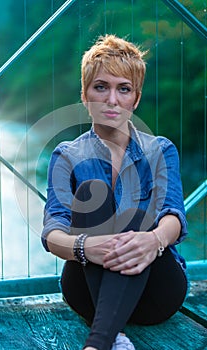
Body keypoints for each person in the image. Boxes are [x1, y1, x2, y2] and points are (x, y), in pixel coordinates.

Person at [41, 34, 188, 350]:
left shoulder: (160, 149)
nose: (111, 99)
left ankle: (99, 342)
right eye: (100, 87)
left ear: (135, 99)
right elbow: (52, 231)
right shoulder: (66, 155)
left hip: (157, 289)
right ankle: (112, 336)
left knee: (135, 213)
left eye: (123, 89)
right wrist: (86, 247)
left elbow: (173, 215)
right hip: (88, 293)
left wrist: (153, 240)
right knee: (93, 192)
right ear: (84, 94)